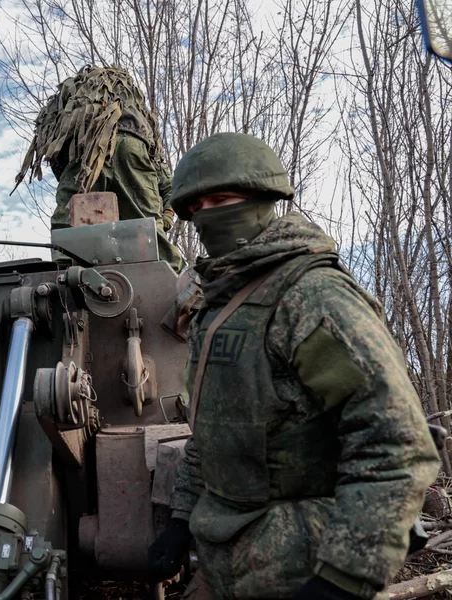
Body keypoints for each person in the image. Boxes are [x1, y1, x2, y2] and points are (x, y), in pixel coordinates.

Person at [147, 132, 440, 600]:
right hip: (227, 557)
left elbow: (398, 446)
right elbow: (213, 432)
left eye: (222, 199)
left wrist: (344, 577)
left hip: (303, 561)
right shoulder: (216, 309)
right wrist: (181, 519)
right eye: (195, 207)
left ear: (264, 199)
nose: (206, 216)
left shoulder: (311, 296)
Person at [13, 65, 183, 272]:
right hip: (132, 144)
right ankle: (173, 278)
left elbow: (57, 159)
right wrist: (165, 216)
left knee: (70, 217)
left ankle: (64, 273)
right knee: (147, 225)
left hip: (86, 146)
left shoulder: (79, 106)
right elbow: (171, 186)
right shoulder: (140, 121)